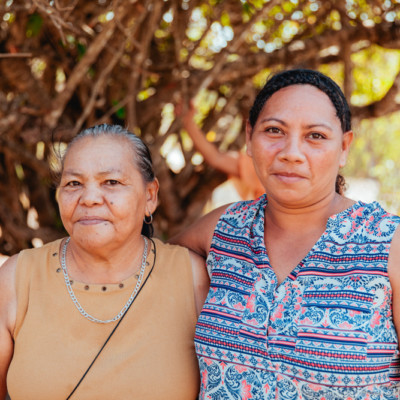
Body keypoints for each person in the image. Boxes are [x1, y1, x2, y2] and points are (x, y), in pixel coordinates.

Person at [172, 69, 400, 399]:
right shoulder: (224, 229)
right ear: (249, 138)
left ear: (345, 147)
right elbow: (153, 270)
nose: (291, 152)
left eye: (316, 136)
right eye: (274, 130)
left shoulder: (388, 243)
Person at [0, 124, 210, 400]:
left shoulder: (192, 278)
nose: (88, 199)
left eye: (111, 182)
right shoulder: (18, 278)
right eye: (73, 183)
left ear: (150, 196)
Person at [181, 101, 264, 200]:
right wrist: (188, 123)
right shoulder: (265, 171)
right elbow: (216, 158)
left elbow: (216, 158)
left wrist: (188, 123)